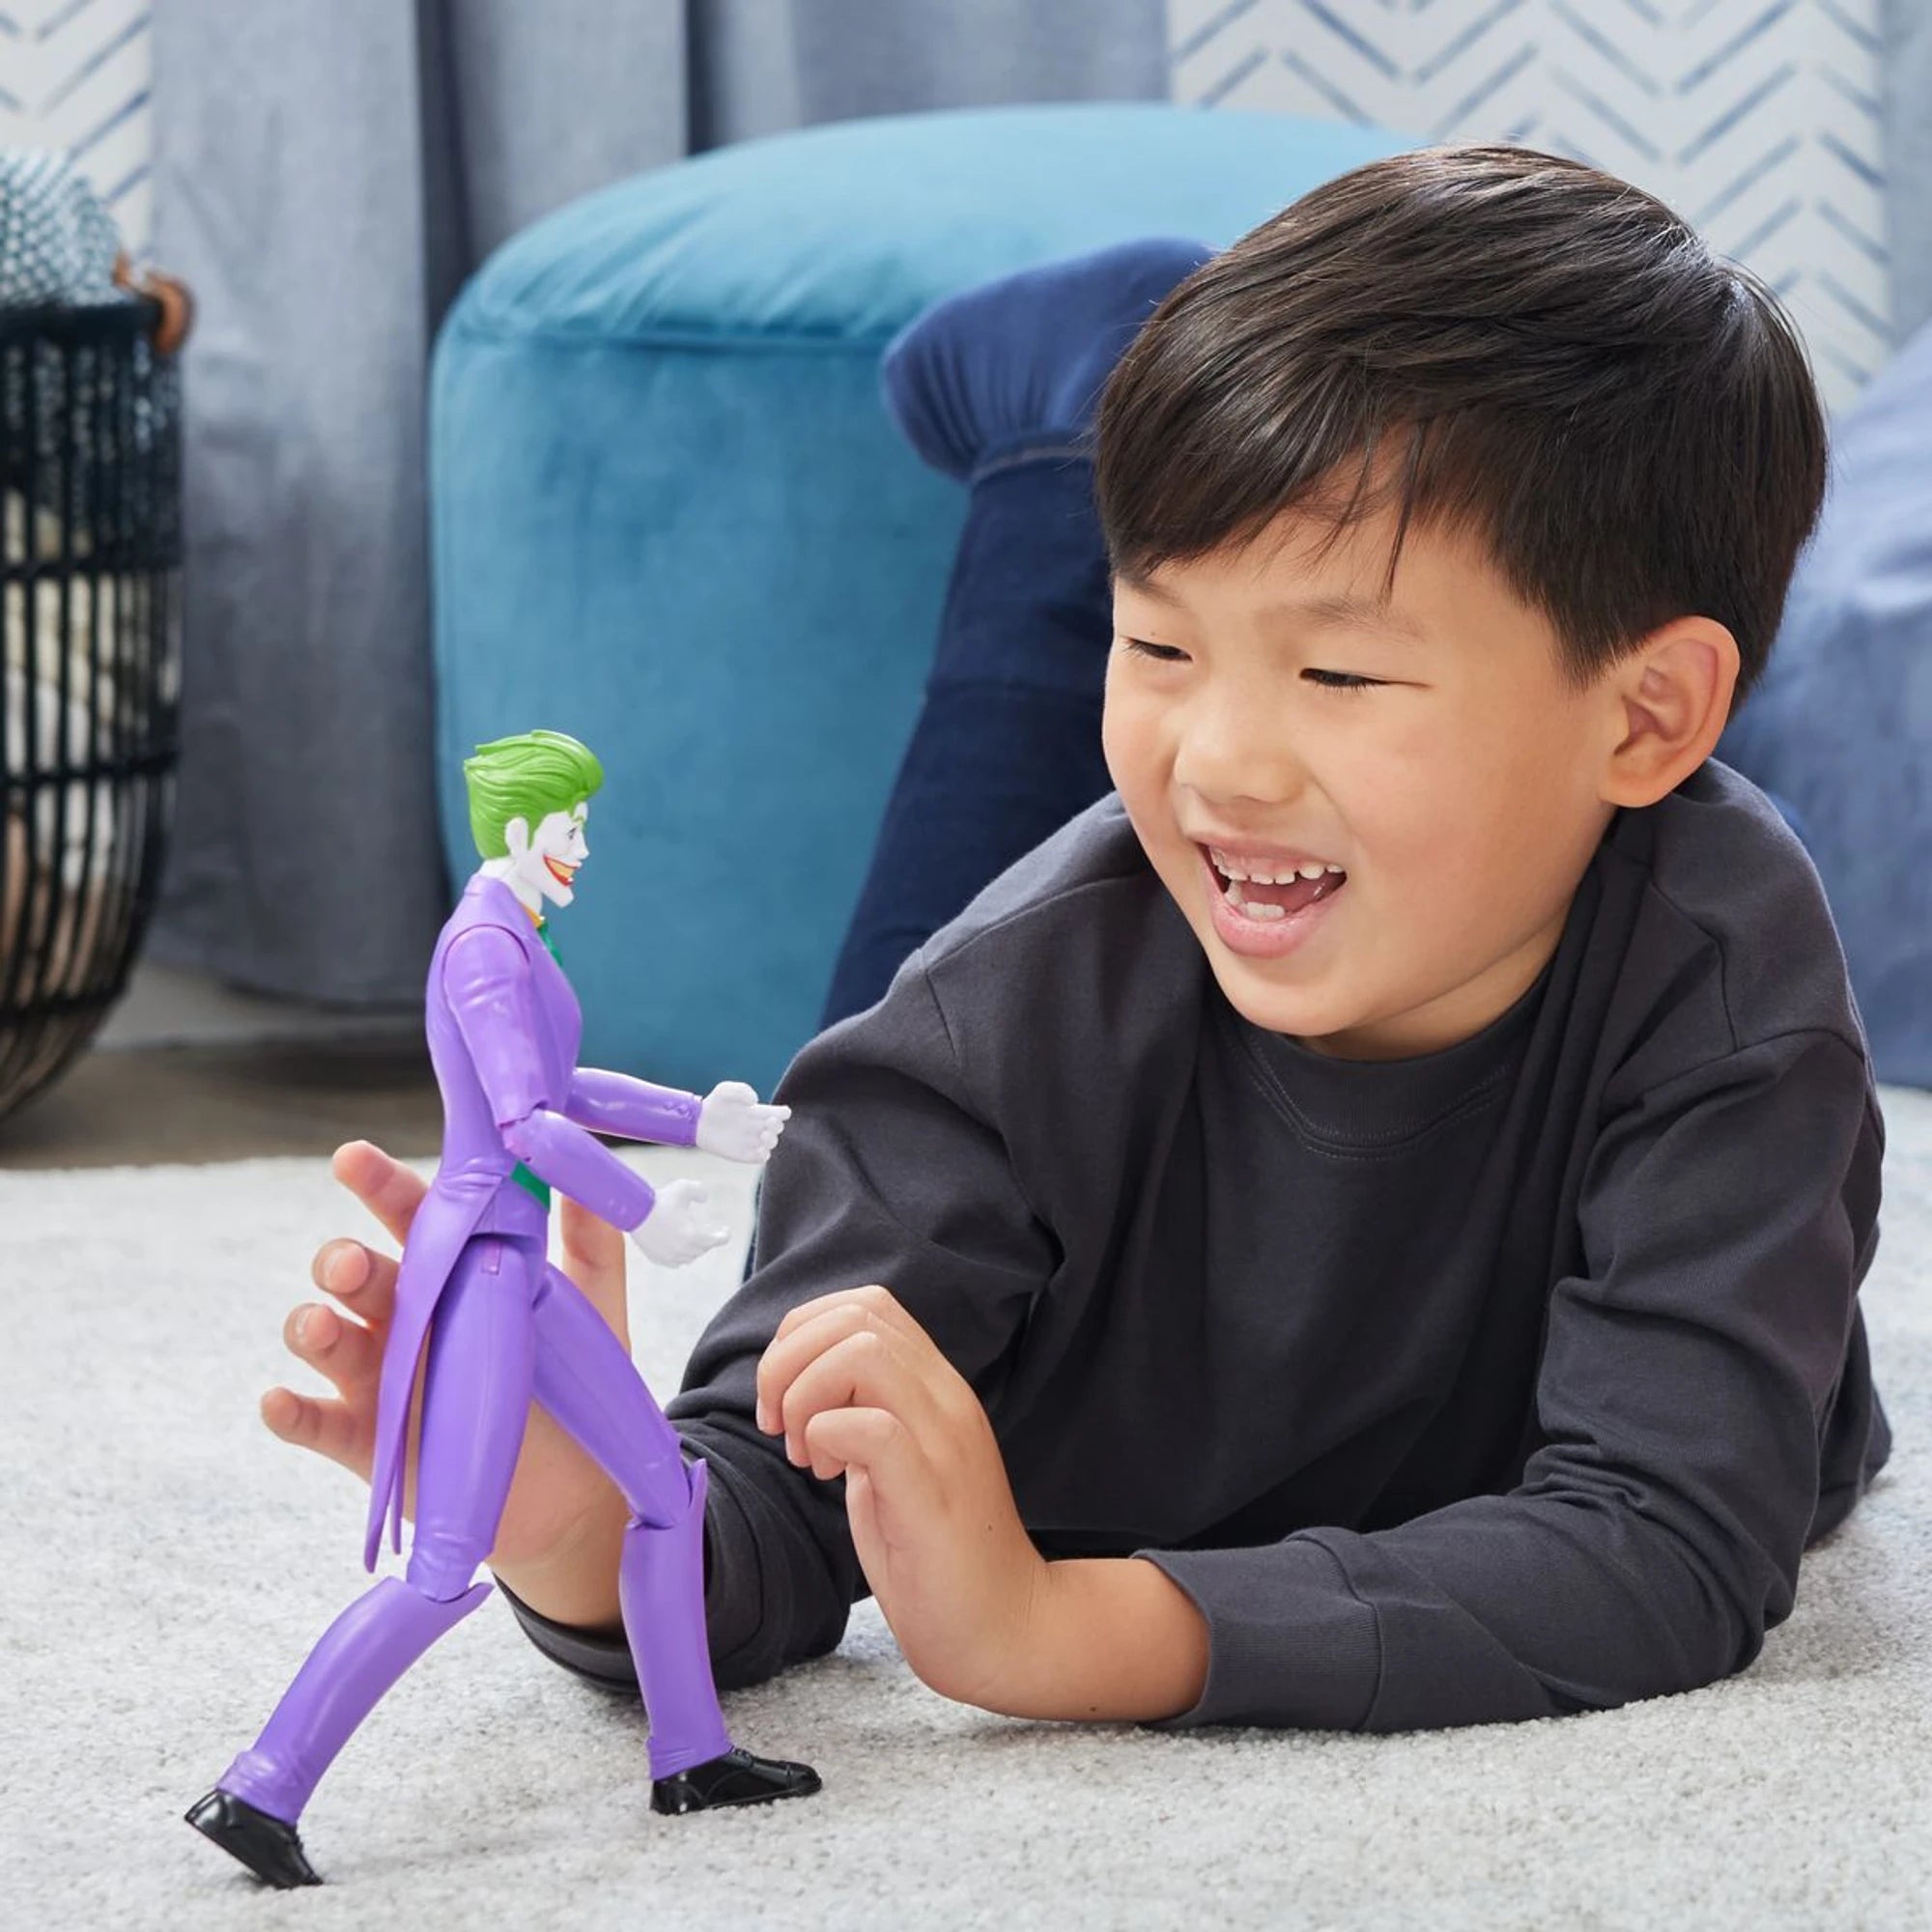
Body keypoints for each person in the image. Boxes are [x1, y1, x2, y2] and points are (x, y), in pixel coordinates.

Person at [262, 145, 1892, 1740]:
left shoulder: (1729, 982)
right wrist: (574, 1522)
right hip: (1071, 1019)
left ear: (1648, 716)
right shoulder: (989, 1035)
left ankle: (1079, 414)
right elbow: (758, 1503)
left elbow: (1662, 1541)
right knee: (1003, 904)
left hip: (1181, 969)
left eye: (1341, 674)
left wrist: (1065, 1630)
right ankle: (1077, 434)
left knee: (1104, 832)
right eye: (1155, 640)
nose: (1222, 757)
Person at [187, 730, 817, 1891]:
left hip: (517, 1263)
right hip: (484, 1263)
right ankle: (261, 1784)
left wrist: (697, 1120)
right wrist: (639, 1209)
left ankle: (690, 1755)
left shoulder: (518, 933)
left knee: (666, 1486)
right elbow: (527, 1123)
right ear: (521, 828)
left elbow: (564, 1085)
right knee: (444, 1559)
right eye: (571, 825)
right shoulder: (483, 942)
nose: (582, 845)